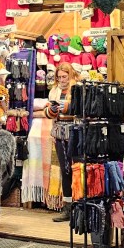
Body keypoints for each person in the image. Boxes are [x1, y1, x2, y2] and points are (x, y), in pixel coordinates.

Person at [45, 62, 78, 222]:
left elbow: (82, 109)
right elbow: (51, 114)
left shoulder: (77, 89)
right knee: (65, 170)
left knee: (77, 169)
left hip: (75, 132)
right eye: (59, 77)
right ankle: (68, 208)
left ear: (70, 75)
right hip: (59, 132)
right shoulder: (54, 91)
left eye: (64, 76)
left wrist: (67, 107)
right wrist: (51, 112)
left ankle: (79, 207)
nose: (61, 79)